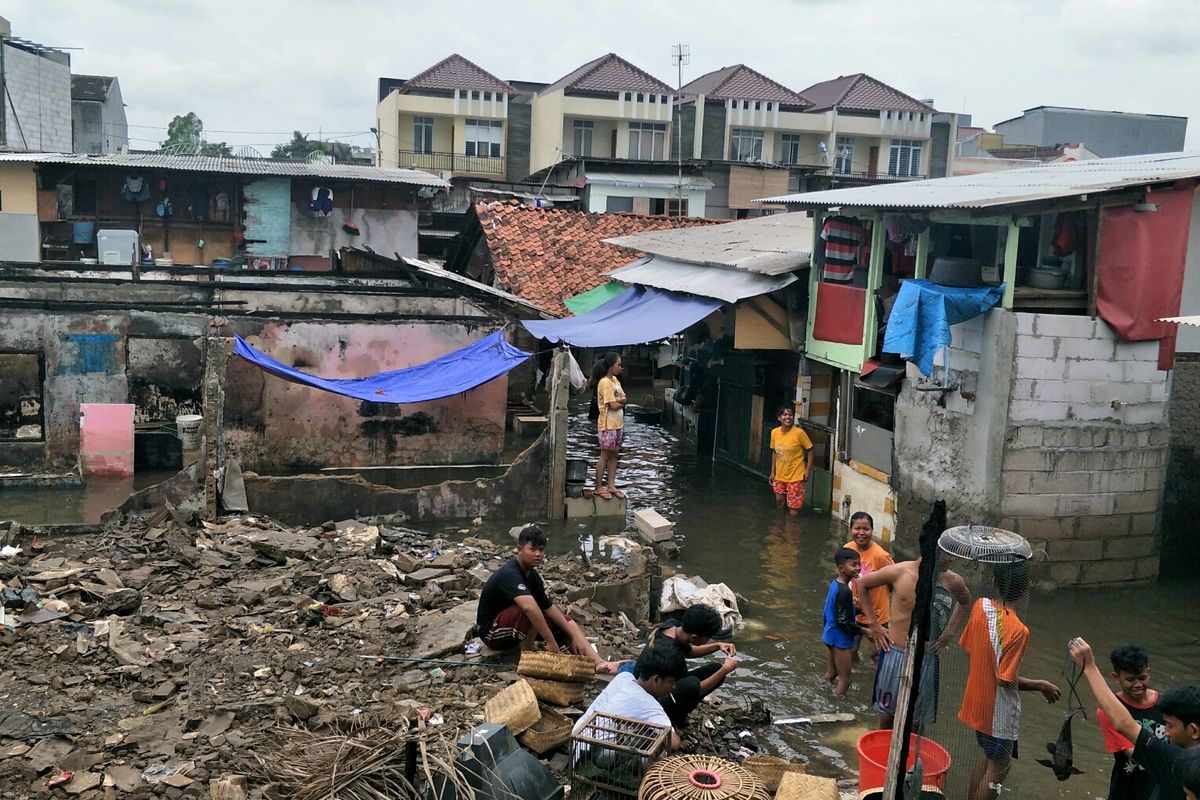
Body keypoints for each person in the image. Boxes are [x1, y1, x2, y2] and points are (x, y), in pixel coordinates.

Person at [959, 560, 1060, 800]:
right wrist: (1040, 685)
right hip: (999, 714)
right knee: (999, 766)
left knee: (986, 756)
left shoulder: (980, 607)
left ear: (995, 583)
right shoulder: (1018, 630)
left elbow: (969, 646)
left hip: (977, 704)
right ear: (1026, 588)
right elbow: (1006, 680)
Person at [1071, 637, 1200, 800]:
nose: (1165, 732)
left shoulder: (1173, 760)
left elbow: (1124, 724)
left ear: (1193, 730)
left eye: (1170, 726)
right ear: (1116, 677)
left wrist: (1089, 667)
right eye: (1131, 679)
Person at [476, 525, 616, 674]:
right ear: (519, 549)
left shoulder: (533, 576)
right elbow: (529, 608)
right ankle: (528, 666)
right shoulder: (510, 573)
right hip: (490, 632)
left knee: (564, 620)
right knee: (528, 612)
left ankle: (597, 662)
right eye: (533, 549)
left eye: (541, 550)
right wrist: (550, 642)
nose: (538, 554)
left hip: (512, 626)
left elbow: (548, 607)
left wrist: (573, 635)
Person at [858, 556, 971, 729]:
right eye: (946, 554)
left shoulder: (951, 580)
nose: (950, 558)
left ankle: (909, 754)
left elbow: (964, 602)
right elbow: (862, 585)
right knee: (887, 717)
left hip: (926, 657)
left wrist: (949, 632)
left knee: (915, 723)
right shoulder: (899, 572)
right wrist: (874, 625)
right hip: (895, 652)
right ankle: (883, 752)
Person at [573, 645, 687, 753]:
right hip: (592, 753)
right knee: (652, 746)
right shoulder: (650, 705)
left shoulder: (624, 677)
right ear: (656, 679)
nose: (673, 687)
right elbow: (674, 744)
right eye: (672, 682)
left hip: (576, 740)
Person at [646, 604, 738, 729]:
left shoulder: (671, 627)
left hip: (658, 682)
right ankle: (675, 723)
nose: (709, 640)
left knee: (714, 669)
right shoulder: (672, 656)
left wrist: (717, 645)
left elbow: (688, 651)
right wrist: (725, 670)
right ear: (694, 637)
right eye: (708, 638)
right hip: (654, 698)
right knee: (693, 684)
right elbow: (694, 691)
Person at [1097, 644, 1166, 800]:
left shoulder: (1166, 704)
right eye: (1130, 679)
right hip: (1127, 789)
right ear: (1116, 677)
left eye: (1142, 678)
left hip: (1161, 786)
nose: (1137, 684)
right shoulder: (1109, 710)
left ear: (1149, 673)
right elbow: (1135, 753)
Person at [844, 512, 894, 658]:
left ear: (872, 530)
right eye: (857, 528)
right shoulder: (847, 549)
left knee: (876, 654)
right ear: (850, 528)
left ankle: (874, 680)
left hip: (877, 614)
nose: (861, 533)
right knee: (850, 651)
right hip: (854, 612)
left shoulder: (881, 556)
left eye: (866, 529)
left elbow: (893, 580)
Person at [822, 547, 867, 698]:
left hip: (830, 634)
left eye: (858, 564)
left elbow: (833, 609)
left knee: (831, 673)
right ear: (842, 568)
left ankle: (822, 691)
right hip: (840, 640)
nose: (858, 568)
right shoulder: (845, 591)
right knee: (845, 680)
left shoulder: (835, 584)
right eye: (853, 565)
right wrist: (865, 631)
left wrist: (859, 611)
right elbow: (843, 621)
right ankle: (835, 707)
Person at [592, 351, 626, 500]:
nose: (620, 367)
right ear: (611, 366)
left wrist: (619, 401)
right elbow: (612, 404)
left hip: (618, 424)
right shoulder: (605, 382)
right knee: (605, 455)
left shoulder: (616, 381)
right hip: (607, 424)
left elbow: (624, 398)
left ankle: (611, 485)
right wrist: (620, 402)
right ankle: (599, 487)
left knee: (615, 455)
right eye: (618, 364)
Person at [768, 405, 813, 516]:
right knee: (779, 501)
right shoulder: (774, 432)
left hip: (796, 475)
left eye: (790, 415)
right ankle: (780, 525)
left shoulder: (799, 433)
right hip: (780, 474)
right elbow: (774, 452)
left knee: (793, 509)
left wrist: (807, 470)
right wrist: (773, 472)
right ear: (779, 418)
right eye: (785, 415)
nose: (788, 417)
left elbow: (810, 450)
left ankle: (791, 529)